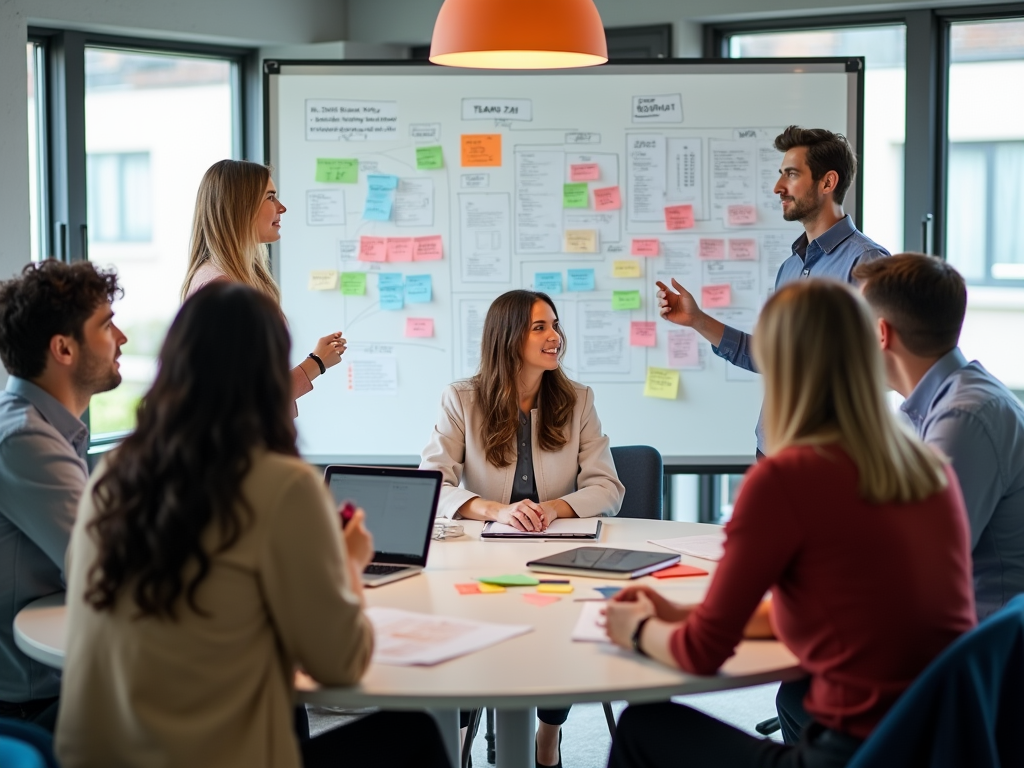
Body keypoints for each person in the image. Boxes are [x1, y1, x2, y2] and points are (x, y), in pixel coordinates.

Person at [55, 283, 450, 768]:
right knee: (412, 731)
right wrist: (347, 564)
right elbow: (341, 664)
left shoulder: (114, 474)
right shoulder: (280, 485)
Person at [603, 279, 976, 768]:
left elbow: (699, 655)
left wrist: (635, 628)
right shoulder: (926, 467)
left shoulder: (787, 478)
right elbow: (834, 610)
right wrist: (677, 612)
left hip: (849, 756)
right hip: (937, 746)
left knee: (645, 725)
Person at [419, 289, 624, 768]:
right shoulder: (461, 399)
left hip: (557, 554)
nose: (555, 337)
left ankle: (548, 736)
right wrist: (493, 509)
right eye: (540, 328)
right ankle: (460, 737)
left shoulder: (578, 400)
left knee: (560, 626)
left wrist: (552, 508)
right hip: (481, 556)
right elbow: (431, 483)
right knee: (465, 633)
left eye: (555, 326)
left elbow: (607, 486)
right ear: (508, 337)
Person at [657, 126, 890, 457]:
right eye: (781, 174)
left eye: (791, 175)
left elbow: (881, 368)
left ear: (827, 182)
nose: (778, 187)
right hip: (771, 451)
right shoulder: (791, 268)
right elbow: (772, 357)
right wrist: (697, 320)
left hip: (828, 457)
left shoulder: (866, 262)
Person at [855, 253, 1024, 620]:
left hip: (976, 650)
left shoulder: (964, 416)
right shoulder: (934, 405)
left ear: (882, 334)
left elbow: (917, 561)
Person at [0, 260, 125, 731]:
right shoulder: (23, 440)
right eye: (107, 325)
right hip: (40, 703)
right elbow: (112, 570)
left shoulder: (47, 429)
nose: (122, 339)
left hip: (65, 671)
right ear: (63, 349)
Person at [181, 159, 345, 407]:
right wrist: (317, 362)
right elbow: (248, 399)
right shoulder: (223, 292)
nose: (282, 208)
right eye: (270, 197)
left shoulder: (226, 281)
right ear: (240, 207)